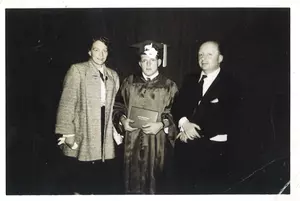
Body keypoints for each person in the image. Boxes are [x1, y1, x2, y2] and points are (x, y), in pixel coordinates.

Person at [172, 40, 242, 194]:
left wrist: (192, 133)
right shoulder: (190, 79)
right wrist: (184, 124)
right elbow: (178, 106)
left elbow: (228, 118)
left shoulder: (231, 83)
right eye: (200, 54)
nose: (203, 58)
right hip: (186, 148)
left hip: (214, 151)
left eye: (209, 54)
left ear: (220, 58)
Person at [55, 37, 123, 194]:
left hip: (104, 132)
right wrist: (68, 133)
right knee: (81, 179)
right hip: (83, 129)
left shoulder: (113, 75)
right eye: (96, 49)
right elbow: (66, 104)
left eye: (105, 50)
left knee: (100, 180)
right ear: (89, 51)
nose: (101, 54)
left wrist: (115, 131)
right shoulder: (77, 70)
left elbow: (114, 105)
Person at [113, 40, 178, 194]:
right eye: (145, 60)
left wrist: (162, 124)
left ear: (160, 62)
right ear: (140, 63)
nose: (148, 64)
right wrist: (122, 120)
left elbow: (176, 112)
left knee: (157, 185)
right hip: (132, 141)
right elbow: (117, 106)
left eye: (152, 60)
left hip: (158, 144)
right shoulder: (128, 83)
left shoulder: (169, 86)